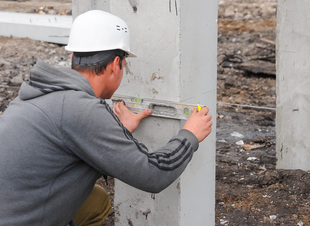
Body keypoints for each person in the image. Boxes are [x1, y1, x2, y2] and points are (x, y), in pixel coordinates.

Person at [0, 10, 212, 225]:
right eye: (124, 66)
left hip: (12, 207)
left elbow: (68, 139)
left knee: (96, 200)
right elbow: (153, 174)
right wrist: (190, 135)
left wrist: (117, 129)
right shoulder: (79, 108)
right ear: (115, 64)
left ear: (73, 57)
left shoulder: (42, 94)